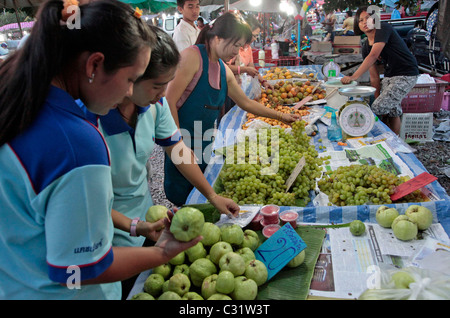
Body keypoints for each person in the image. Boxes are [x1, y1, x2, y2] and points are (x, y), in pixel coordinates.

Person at [0, 0, 200, 300]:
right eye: (131, 79)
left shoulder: (19, 105)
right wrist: (163, 253)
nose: (129, 92)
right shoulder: (78, 144)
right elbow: (80, 271)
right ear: (94, 64)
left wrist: (137, 226)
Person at [81, 25, 240, 298]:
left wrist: (211, 195)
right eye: (156, 85)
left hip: (146, 224)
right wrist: (131, 226)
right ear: (129, 76)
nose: (163, 93)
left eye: (167, 84)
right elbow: (83, 202)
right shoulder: (88, 121)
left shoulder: (155, 107)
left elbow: (178, 151)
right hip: (100, 236)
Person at [164, 12, 301, 207]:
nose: (237, 53)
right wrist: (177, 142)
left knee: (205, 198)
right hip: (181, 141)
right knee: (185, 200)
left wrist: (282, 116)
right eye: (236, 45)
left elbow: (245, 103)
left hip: (204, 142)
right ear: (218, 38)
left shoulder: (222, 69)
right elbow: (168, 101)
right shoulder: (192, 57)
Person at [341, 7, 419, 135]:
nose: (364, 22)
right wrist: (377, 96)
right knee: (393, 110)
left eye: (368, 18)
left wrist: (354, 76)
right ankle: (394, 140)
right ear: (357, 24)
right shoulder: (366, 45)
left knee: (377, 108)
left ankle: (379, 137)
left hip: (406, 73)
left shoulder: (383, 28)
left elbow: (373, 56)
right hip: (390, 75)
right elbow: (374, 76)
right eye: (360, 20)